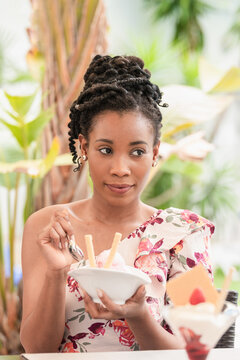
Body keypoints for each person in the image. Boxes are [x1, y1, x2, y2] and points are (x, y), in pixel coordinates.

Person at [20, 55, 215, 353]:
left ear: (154, 153)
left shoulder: (184, 233)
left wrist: (138, 316)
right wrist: (56, 272)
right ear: (84, 147)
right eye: (106, 149)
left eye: (137, 152)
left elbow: (200, 350)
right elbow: (36, 349)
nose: (121, 168)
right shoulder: (48, 227)